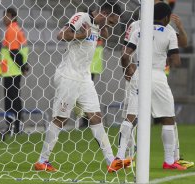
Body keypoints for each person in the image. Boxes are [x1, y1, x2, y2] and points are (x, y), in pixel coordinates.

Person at [34, 2, 125, 173]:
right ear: (104, 13)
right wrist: (81, 36)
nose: (112, 26)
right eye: (112, 21)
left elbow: (103, 36)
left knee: (96, 117)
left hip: (84, 78)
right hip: (68, 76)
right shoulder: (82, 17)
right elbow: (60, 35)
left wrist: (103, 27)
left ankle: (111, 161)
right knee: (61, 119)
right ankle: (42, 160)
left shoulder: (98, 26)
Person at [113, 2, 187, 171]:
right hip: (157, 76)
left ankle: (119, 157)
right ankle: (169, 161)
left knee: (130, 117)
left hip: (139, 74)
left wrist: (128, 71)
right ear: (167, 18)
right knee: (168, 118)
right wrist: (167, 57)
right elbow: (176, 60)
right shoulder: (169, 32)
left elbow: (125, 56)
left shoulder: (139, 30)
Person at [1, 8, 29, 134]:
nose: (3, 18)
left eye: (5, 16)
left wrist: (22, 67)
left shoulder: (12, 30)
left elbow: (14, 52)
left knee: (11, 99)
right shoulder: (16, 29)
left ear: (11, 16)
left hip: (12, 70)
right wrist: (24, 66)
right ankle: (15, 125)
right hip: (14, 70)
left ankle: (14, 126)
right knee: (14, 98)